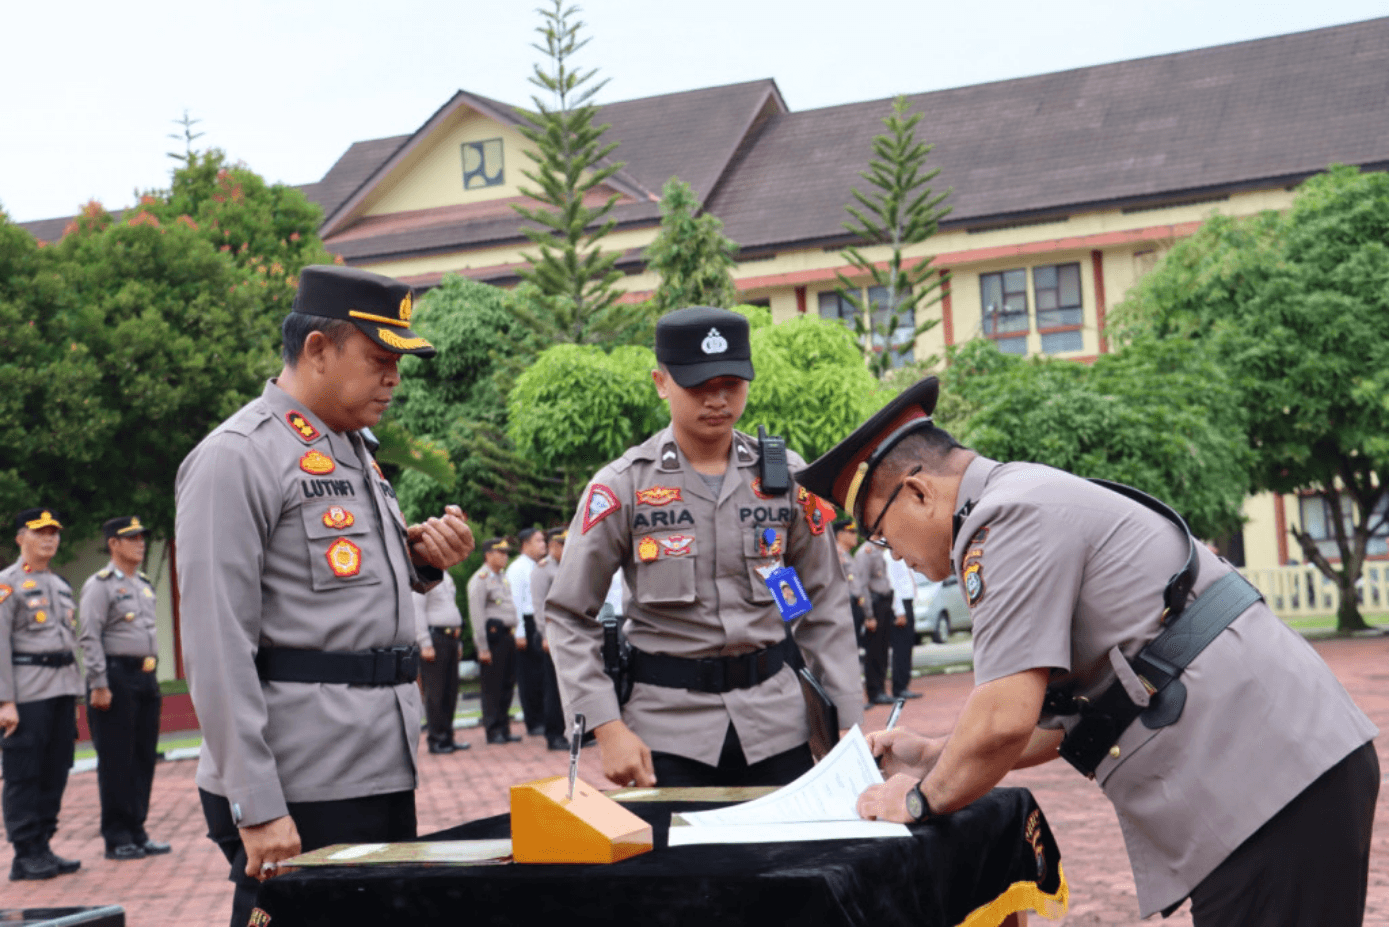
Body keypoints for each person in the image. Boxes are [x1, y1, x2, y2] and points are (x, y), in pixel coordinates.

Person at [797, 375, 1380, 926]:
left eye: (880, 532)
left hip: (1267, 780)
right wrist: (932, 754)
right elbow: (1070, 718)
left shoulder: (1003, 521)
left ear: (919, 492)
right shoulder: (1019, 497)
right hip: (1277, 768)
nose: (891, 554)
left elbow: (1002, 720)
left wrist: (920, 800)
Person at [175, 264, 474, 927]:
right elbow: (215, 642)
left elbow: (342, 590)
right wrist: (256, 803)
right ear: (316, 349)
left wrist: (420, 563)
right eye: (377, 358)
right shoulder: (238, 456)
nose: (393, 377)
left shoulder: (353, 451)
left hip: (376, 762)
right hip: (299, 779)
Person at [546, 306, 862, 789]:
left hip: (779, 727)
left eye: (731, 384)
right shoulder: (623, 486)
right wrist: (606, 726)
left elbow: (823, 602)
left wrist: (845, 718)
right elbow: (570, 614)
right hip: (666, 734)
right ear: (661, 382)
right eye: (698, 385)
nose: (717, 400)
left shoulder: (784, 479)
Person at [77, 515, 172, 861]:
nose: (140, 543)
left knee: (143, 757)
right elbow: (89, 636)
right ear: (113, 544)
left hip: (145, 677)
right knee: (117, 759)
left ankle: (137, 829)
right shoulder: (100, 585)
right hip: (115, 678)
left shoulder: (143, 583)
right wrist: (99, 683)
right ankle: (117, 836)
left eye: (142, 537)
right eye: (131, 538)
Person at [0, 508, 83, 882]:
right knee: (24, 773)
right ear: (21, 539)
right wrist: (5, 701)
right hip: (28, 692)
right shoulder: (7, 584)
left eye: (54, 533)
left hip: (62, 689)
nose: (49, 539)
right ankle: (25, 853)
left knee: (55, 770)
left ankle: (44, 844)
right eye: (40, 532)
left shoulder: (61, 585)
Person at [469, 538, 524, 745]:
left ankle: (504, 727)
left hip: (508, 637)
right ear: (488, 555)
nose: (504, 556)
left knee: (507, 685)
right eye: (500, 552)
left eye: (506, 553)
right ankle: (493, 731)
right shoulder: (480, 579)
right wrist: (482, 647)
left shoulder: (502, 578)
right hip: (493, 640)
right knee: (493, 687)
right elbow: (477, 615)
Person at [412, 571, 469, 754]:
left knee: (450, 691)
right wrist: (424, 642)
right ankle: (437, 739)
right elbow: (416, 609)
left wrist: (458, 642)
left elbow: (450, 608)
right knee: (436, 692)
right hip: (435, 639)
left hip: (450, 638)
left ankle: (448, 737)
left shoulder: (446, 576)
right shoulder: (423, 575)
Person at [530, 527, 570, 750]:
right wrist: (544, 635)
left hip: (569, 634)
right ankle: (554, 734)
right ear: (553, 545)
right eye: (562, 544)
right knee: (553, 688)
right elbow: (538, 606)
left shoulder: (568, 567)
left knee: (568, 686)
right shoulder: (542, 570)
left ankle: (569, 731)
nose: (566, 548)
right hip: (552, 634)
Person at [506, 526, 547, 736]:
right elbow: (515, 603)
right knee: (529, 675)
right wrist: (519, 632)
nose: (543, 545)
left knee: (543, 674)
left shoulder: (540, 566)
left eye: (543, 541)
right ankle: (534, 721)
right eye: (538, 541)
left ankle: (544, 717)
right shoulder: (517, 568)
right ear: (525, 544)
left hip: (540, 622)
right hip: (527, 623)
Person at [852, 536, 894, 706]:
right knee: (874, 650)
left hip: (884, 602)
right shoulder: (865, 553)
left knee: (883, 649)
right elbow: (862, 585)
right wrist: (869, 614)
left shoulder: (878, 552)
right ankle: (874, 691)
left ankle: (881, 689)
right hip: (874, 605)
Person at [885, 552, 920, 699]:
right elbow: (893, 584)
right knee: (901, 647)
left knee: (907, 646)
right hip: (901, 605)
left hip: (908, 602)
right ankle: (899, 687)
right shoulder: (891, 556)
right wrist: (899, 611)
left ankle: (904, 684)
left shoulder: (902, 552)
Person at [833, 517, 866, 646]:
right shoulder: (835, 554)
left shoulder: (847, 555)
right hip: (844, 607)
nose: (855, 536)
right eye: (851, 532)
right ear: (840, 535)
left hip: (853, 606)